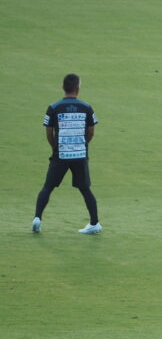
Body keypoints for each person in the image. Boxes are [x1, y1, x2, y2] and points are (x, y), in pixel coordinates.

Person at [33, 74, 102, 235]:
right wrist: (82, 145)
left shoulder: (54, 107)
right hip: (79, 154)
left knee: (48, 187)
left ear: (62, 87)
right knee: (85, 189)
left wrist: (55, 148)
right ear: (78, 88)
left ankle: (37, 218)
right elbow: (91, 131)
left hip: (60, 154)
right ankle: (94, 223)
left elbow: (49, 133)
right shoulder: (86, 107)